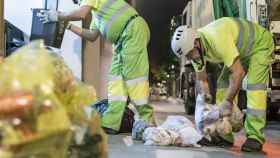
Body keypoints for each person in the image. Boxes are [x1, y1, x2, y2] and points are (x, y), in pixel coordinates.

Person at [37, 0, 154, 135]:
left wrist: (58, 16)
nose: (79, 3)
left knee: (134, 77)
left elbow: (81, 13)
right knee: (115, 81)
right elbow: (92, 36)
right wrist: (68, 26)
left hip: (133, 29)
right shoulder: (97, 16)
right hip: (122, 40)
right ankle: (111, 122)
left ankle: (146, 118)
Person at [171, 17, 274, 152]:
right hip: (242, 52)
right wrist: (206, 108)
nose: (190, 58)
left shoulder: (217, 37)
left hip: (259, 45)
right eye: (187, 56)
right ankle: (224, 134)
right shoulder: (195, 50)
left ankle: (255, 136)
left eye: (190, 54)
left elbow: (238, 73)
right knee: (223, 83)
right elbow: (202, 80)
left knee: (254, 87)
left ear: (196, 43)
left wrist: (227, 101)